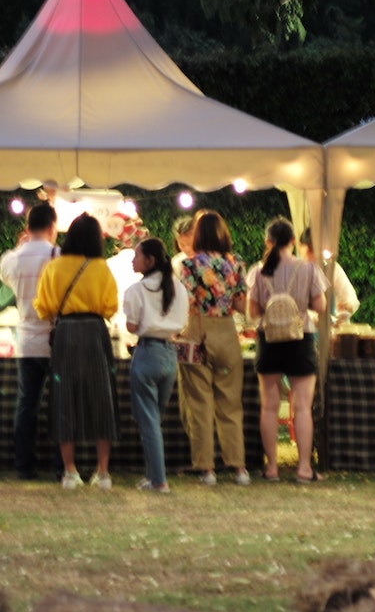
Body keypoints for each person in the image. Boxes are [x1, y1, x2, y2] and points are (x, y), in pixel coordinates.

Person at [35, 213, 118, 488]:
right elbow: (110, 308)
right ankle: (103, 472)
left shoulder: (54, 267)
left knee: (64, 398)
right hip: (95, 333)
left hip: (66, 334)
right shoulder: (101, 268)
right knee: (101, 399)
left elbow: (43, 308)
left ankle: (70, 471)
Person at [248, 219, 326, 482]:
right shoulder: (308, 268)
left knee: (269, 407)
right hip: (300, 338)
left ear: (268, 242)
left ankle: (272, 468)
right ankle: (304, 468)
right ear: (293, 241)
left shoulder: (258, 271)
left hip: (268, 340)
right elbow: (321, 305)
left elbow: (253, 312)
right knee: (303, 407)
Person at [177, 211, 250, 486]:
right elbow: (243, 305)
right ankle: (239, 467)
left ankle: (207, 468)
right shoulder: (236, 263)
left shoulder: (189, 264)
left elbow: (183, 302)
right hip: (227, 332)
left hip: (196, 331)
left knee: (199, 403)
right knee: (230, 402)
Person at [122, 236, 187, 492]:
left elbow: (131, 326)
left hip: (147, 352)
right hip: (170, 354)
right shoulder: (178, 288)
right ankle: (153, 476)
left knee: (148, 420)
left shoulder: (136, 291)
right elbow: (182, 324)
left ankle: (158, 479)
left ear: (149, 261)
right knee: (154, 419)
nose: (133, 259)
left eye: (137, 256)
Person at [0, 202, 59, 479]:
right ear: (52, 227)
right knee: (59, 405)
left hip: (25, 340)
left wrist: (18, 247)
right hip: (55, 340)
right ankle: (62, 466)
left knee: (27, 406)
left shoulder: (12, 259)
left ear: (27, 227)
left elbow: (5, 274)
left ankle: (24, 466)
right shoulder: (58, 255)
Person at [297, 228, 359, 327]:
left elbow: (351, 298)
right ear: (300, 247)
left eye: (315, 250)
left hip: (333, 329)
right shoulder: (294, 271)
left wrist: (348, 306)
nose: (312, 256)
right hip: (304, 332)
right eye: (309, 250)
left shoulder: (332, 268)